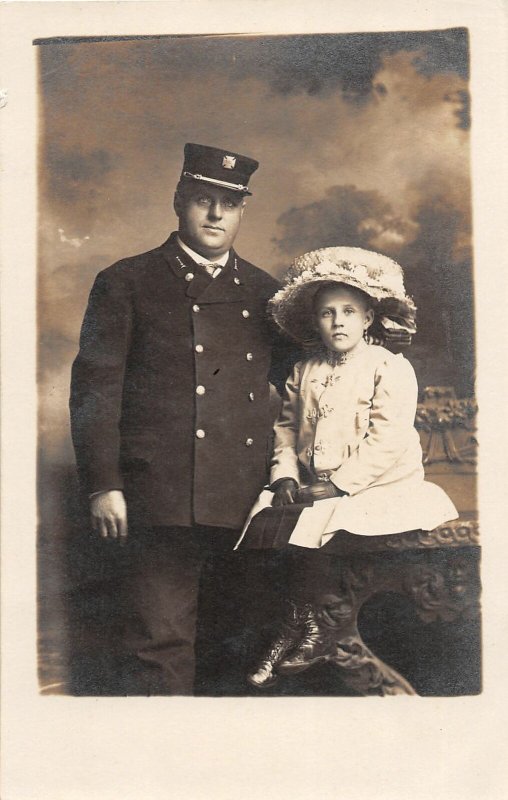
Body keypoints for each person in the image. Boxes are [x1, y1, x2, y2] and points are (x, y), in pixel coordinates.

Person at [69, 143, 292, 695]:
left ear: (242, 212)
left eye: (229, 204)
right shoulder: (127, 280)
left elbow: (303, 387)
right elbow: (95, 389)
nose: (216, 215)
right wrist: (103, 485)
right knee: (160, 647)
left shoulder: (269, 295)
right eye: (203, 200)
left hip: (245, 504)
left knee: (236, 648)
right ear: (178, 203)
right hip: (159, 498)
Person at [235, 246, 459, 688]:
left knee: (323, 522)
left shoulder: (388, 367)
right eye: (326, 313)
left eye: (348, 312)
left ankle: (316, 628)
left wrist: (339, 485)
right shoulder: (305, 370)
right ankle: (296, 623)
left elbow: (387, 440)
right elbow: (285, 429)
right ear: (314, 321)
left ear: (368, 318)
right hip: (313, 483)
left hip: (377, 484)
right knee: (267, 518)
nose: (337, 322)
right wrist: (284, 475)